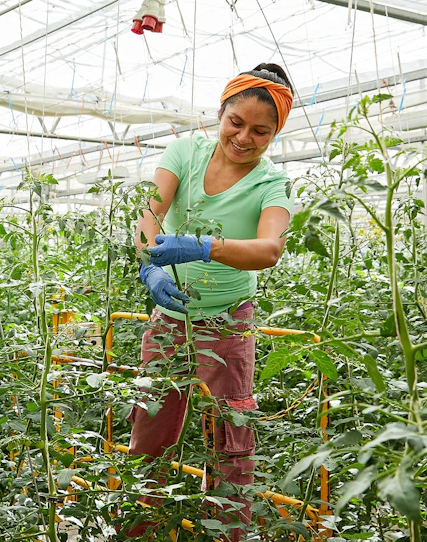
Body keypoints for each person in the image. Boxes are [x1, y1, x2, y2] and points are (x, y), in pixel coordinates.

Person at [127, 63, 296, 536]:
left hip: (227, 322)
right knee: (150, 422)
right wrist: (149, 264)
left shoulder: (271, 184)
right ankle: (142, 526)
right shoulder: (185, 152)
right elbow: (148, 215)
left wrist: (204, 247)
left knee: (230, 436)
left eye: (260, 131)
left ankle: (227, 531)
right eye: (235, 122)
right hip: (169, 316)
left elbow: (270, 249)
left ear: (275, 134)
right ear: (219, 114)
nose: (243, 138)